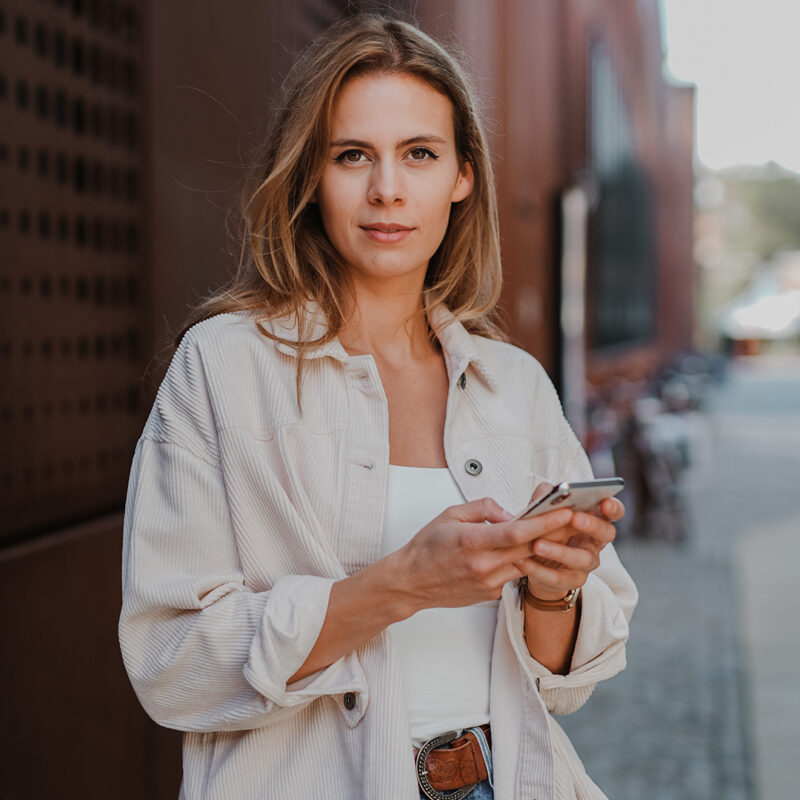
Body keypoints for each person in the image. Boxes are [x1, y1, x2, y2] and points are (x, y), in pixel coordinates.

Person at [118, 14, 638, 800]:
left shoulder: (515, 383)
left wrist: (553, 588)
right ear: (309, 175)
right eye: (352, 154)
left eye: (420, 154)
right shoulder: (222, 367)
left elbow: (566, 684)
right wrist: (398, 585)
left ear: (463, 176)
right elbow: (174, 665)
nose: (387, 189)